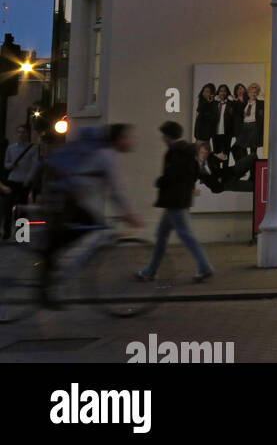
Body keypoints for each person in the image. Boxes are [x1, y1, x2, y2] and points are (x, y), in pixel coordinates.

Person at [41, 124, 142, 305]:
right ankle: (50, 277)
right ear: (118, 139)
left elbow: (111, 189)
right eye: (128, 137)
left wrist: (124, 212)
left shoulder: (104, 154)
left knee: (83, 225)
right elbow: (117, 190)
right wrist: (129, 214)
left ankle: (52, 267)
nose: (132, 140)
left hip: (67, 194)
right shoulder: (107, 155)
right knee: (71, 233)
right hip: (65, 194)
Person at [136, 121, 213, 283]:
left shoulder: (176, 152)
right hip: (181, 199)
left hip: (175, 200)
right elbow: (197, 172)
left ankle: (204, 267)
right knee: (162, 235)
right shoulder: (189, 151)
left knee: (185, 235)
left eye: (164, 136)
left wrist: (160, 181)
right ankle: (150, 270)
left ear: (169, 136)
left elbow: (173, 176)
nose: (162, 139)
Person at [2, 124, 42, 239]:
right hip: (13, 179)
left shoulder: (33, 148)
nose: (21, 134)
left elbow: (34, 165)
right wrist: (11, 164)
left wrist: (29, 179)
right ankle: (6, 232)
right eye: (19, 132)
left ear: (27, 134)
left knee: (23, 207)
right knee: (8, 206)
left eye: (23, 132)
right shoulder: (11, 148)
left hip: (24, 180)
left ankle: (21, 234)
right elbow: (6, 164)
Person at [232, 82, 263, 183]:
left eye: (255, 92)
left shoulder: (261, 104)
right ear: (248, 92)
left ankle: (253, 176)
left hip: (254, 127)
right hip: (244, 128)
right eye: (251, 92)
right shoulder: (244, 103)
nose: (253, 94)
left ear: (257, 93)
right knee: (236, 148)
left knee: (253, 153)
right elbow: (237, 113)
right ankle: (242, 170)